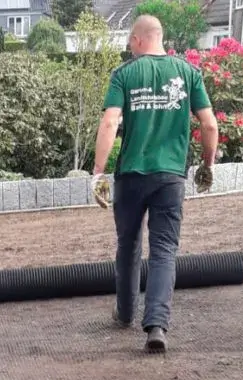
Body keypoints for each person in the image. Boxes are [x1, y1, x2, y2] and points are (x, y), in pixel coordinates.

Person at [92, 15, 218, 353]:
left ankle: (124, 314)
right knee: (164, 250)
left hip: (132, 175)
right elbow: (209, 125)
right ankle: (156, 326)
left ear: (137, 40)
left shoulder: (124, 75)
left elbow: (108, 124)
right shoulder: (189, 73)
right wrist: (207, 165)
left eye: (129, 43)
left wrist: (98, 172)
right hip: (170, 177)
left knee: (128, 245)